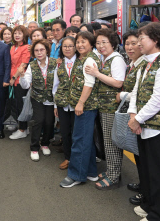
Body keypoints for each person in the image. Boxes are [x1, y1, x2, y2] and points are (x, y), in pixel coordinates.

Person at [127, 23, 160, 221]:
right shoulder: (144, 63)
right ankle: (148, 205)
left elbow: (159, 99)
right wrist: (132, 116)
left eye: (142, 39)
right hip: (142, 126)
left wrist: (137, 118)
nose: (138, 43)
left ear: (155, 40)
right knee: (145, 170)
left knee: (157, 174)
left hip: (158, 129)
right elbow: (136, 92)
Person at [85, 29, 126, 190]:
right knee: (108, 141)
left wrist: (96, 73)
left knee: (111, 143)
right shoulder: (105, 58)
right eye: (98, 43)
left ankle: (114, 176)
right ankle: (111, 171)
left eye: (104, 42)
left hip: (111, 107)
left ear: (113, 43)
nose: (101, 46)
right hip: (104, 106)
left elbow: (118, 82)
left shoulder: (116, 59)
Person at [59, 32, 101, 188]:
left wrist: (81, 103)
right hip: (85, 106)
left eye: (84, 42)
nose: (80, 45)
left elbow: (89, 83)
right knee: (85, 140)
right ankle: (90, 171)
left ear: (91, 44)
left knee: (79, 141)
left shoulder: (89, 60)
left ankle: (76, 175)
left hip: (86, 106)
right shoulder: (83, 58)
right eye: (78, 42)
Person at [117, 30, 145, 205]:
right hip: (133, 115)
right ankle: (143, 185)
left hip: (142, 117)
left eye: (134, 43)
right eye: (127, 44)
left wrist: (122, 96)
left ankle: (146, 192)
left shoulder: (144, 64)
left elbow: (139, 92)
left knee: (144, 158)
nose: (130, 47)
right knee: (138, 154)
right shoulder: (132, 63)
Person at [18, 39, 57, 161]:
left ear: (47, 50)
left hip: (52, 99)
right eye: (36, 50)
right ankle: (34, 147)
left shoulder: (55, 63)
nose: (39, 53)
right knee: (38, 120)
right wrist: (22, 75)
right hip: (37, 98)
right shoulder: (32, 65)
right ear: (33, 53)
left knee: (49, 122)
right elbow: (25, 85)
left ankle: (45, 143)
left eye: (42, 50)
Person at [52, 36, 79, 170]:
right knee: (65, 132)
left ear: (75, 48)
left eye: (70, 46)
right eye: (65, 46)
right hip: (63, 104)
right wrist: (56, 105)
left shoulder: (81, 62)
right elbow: (55, 86)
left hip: (77, 104)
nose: (67, 48)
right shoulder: (59, 64)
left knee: (77, 132)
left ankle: (77, 158)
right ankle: (68, 158)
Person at [8, 25, 31, 140]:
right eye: (15, 33)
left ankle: (22, 129)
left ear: (24, 35)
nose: (17, 35)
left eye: (20, 33)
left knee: (21, 105)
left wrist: (13, 78)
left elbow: (23, 65)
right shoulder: (13, 47)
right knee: (15, 104)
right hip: (12, 79)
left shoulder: (26, 47)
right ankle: (22, 127)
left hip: (19, 79)